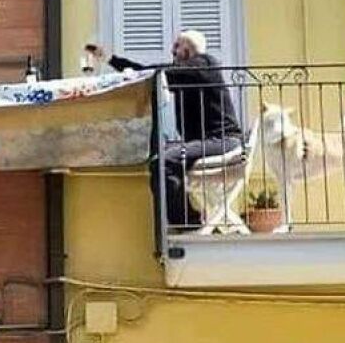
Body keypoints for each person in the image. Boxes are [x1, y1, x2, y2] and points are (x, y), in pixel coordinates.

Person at [87, 30, 242, 229]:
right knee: (160, 158)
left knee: (164, 162)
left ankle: (189, 223)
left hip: (222, 141)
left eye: (177, 46)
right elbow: (149, 74)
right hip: (209, 142)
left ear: (187, 49)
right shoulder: (191, 73)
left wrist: (128, 69)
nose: (172, 50)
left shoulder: (205, 64)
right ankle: (189, 220)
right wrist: (111, 59)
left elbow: (155, 73)